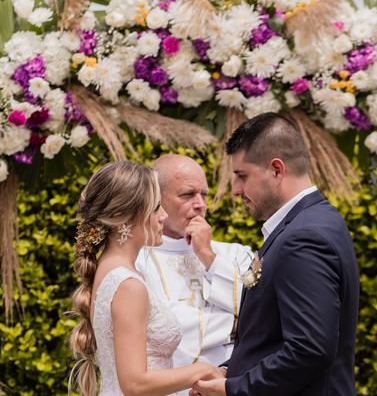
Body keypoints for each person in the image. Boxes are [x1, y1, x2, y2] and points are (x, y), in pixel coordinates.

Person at [192, 112, 359, 396]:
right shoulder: (314, 221)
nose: (235, 190)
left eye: (242, 176)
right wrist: (229, 370)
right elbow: (272, 337)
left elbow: (310, 350)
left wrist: (234, 389)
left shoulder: (303, 238)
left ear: (276, 170)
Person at [68, 161, 222, 396]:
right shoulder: (128, 285)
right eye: (156, 207)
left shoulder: (108, 269)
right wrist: (202, 370)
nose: (164, 216)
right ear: (122, 217)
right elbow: (135, 383)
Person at [135, 155, 253, 394]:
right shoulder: (137, 261)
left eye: (204, 195)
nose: (200, 204)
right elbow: (156, 333)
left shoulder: (237, 254)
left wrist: (208, 256)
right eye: (187, 195)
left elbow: (263, 313)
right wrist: (236, 325)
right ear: (156, 198)